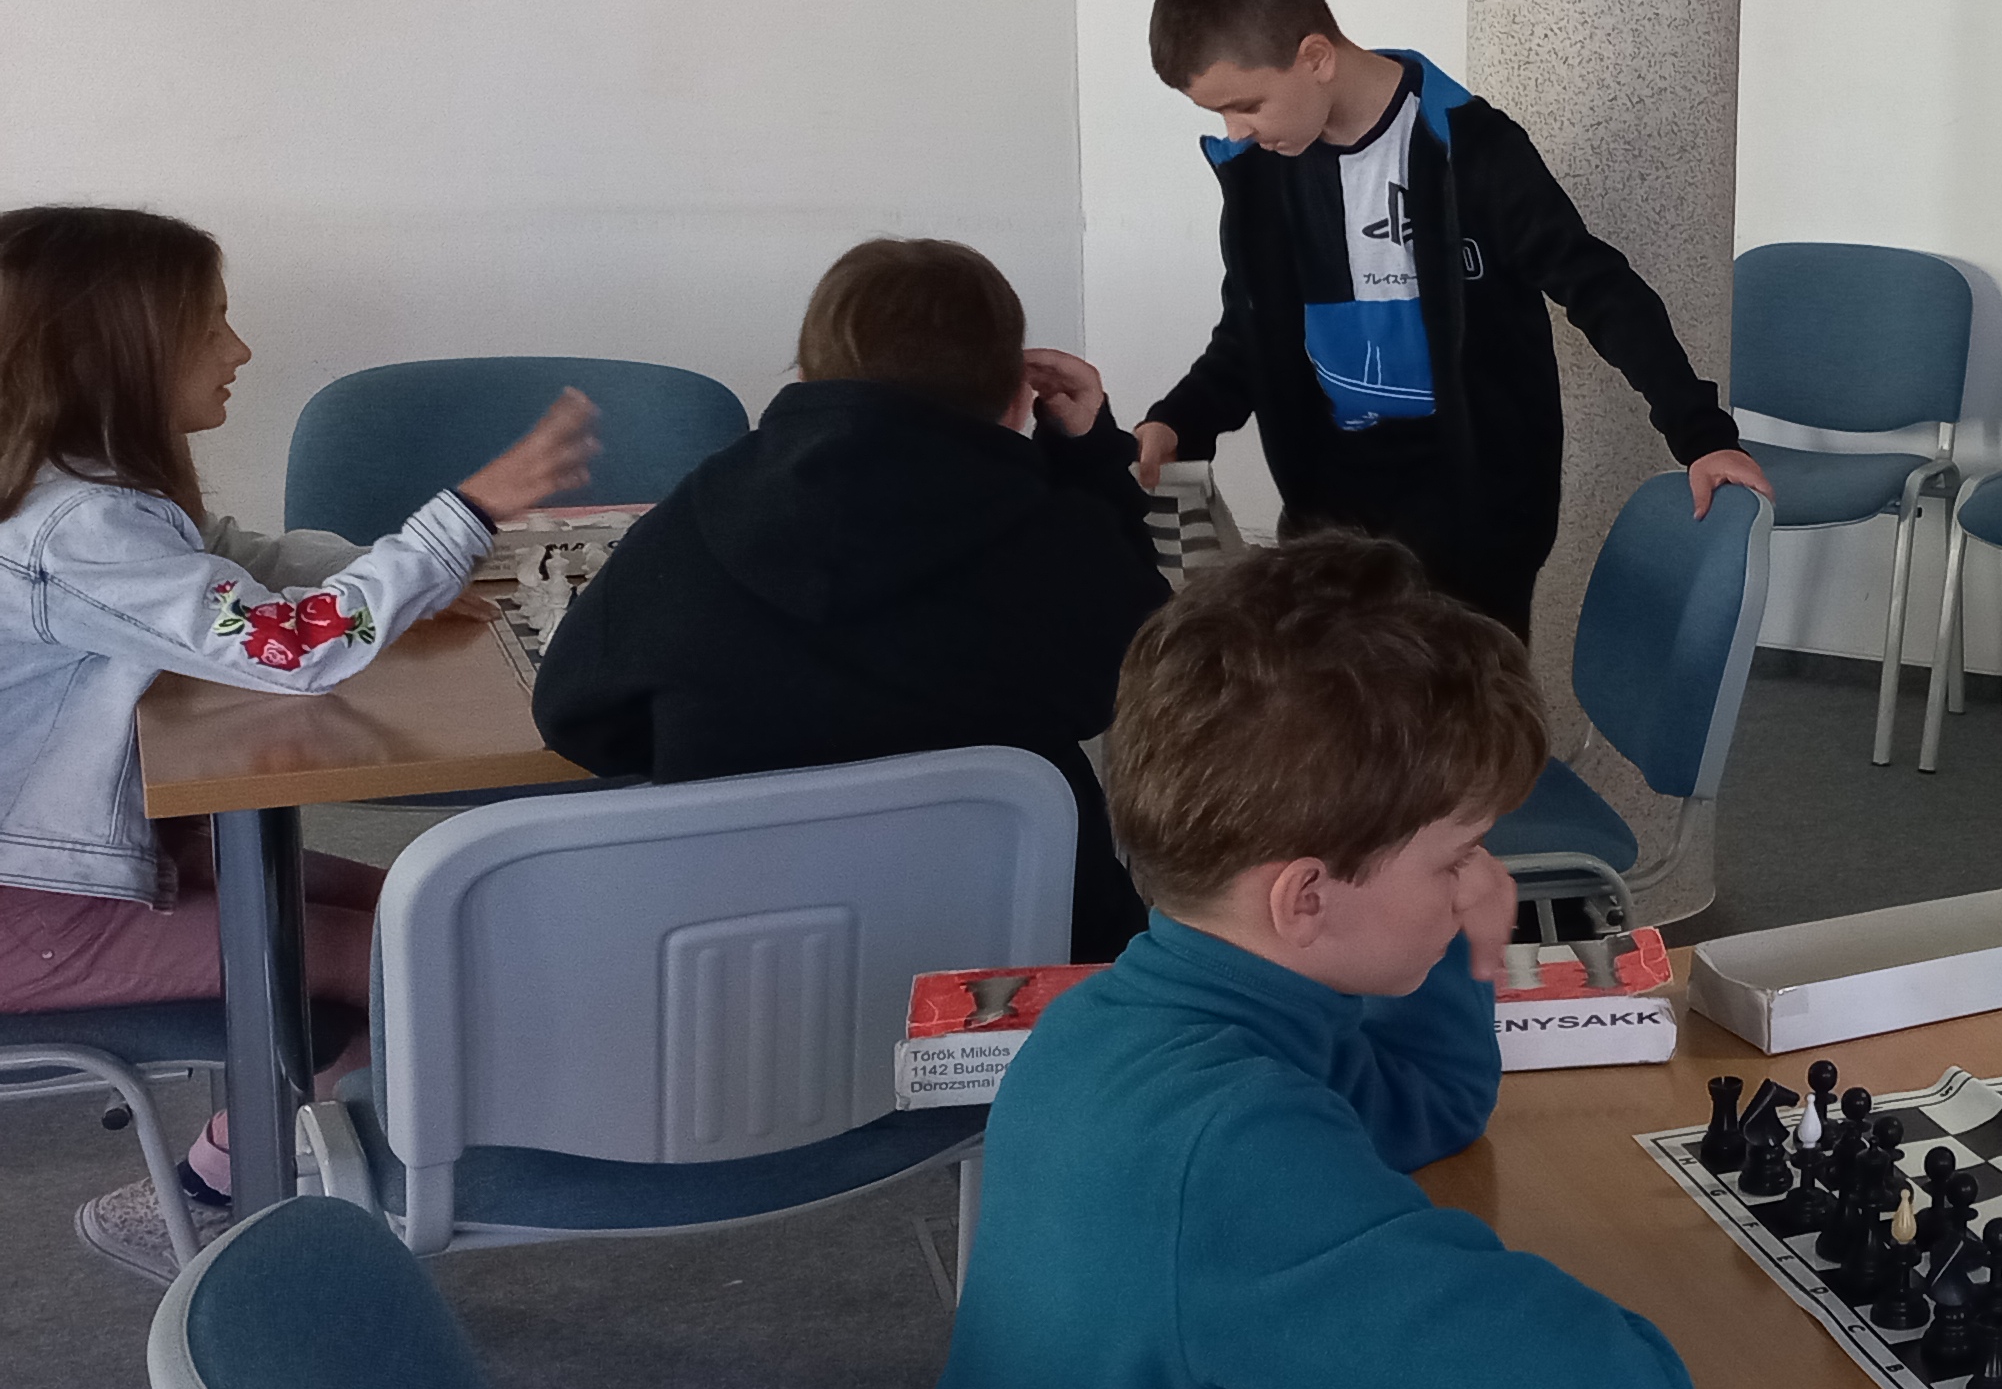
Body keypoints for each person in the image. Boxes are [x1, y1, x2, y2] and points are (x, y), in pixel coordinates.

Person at [902, 532, 1696, 1389]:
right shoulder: (1237, 1152)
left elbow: (1420, 1106)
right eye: (1457, 857)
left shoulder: (1118, 1023)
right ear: (1306, 897)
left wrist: (1457, 949)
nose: (1483, 883)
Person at [0, 206, 597, 1281]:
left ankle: (304, 1166)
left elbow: (238, 562)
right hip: (35, 910)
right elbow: (292, 649)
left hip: (84, 859)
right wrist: (462, 515)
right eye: (210, 327)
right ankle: (222, 1197)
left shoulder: (80, 483)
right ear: (115, 353)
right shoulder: (72, 528)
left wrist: (410, 580)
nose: (239, 350)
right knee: (414, 957)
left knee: (426, 911)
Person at [533, 238, 1174, 960]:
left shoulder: (698, 516)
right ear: (1020, 401)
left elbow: (572, 716)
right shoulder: (1052, 534)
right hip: (1021, 965)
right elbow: (1146, 676)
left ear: (806, 379)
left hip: (747, 963)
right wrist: (1090, 461)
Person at [1129, 0, 1765, 637]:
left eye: (1246, 104)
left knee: (1465, 698)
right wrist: (1180, 420)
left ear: (1315, 58)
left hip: (1476, 511)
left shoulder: (1473, 150)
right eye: (1217, 115)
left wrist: (1702, 435)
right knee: (1330, 694)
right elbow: (1250, 335)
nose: (1237, 132)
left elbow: (1600, 289)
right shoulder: (1262, 174)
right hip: (1328, 510)